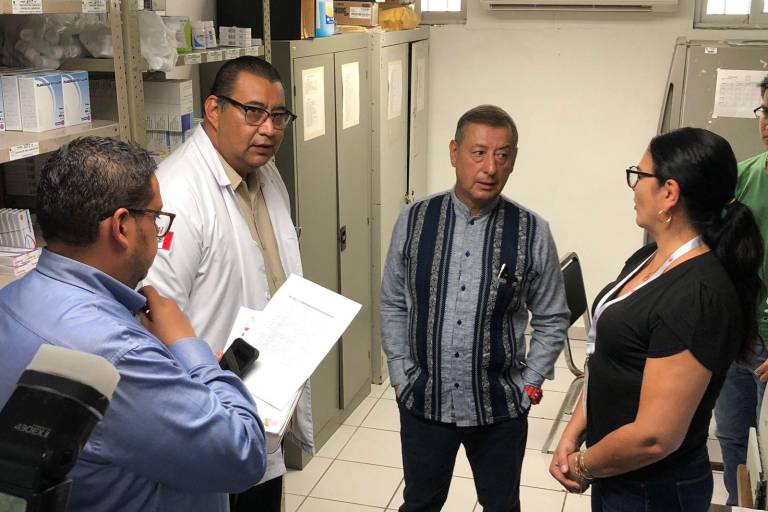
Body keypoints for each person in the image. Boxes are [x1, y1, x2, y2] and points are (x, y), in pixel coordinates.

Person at [0, 136, 267, 512]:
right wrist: (189, 347)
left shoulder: (10, 301)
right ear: (122, 227)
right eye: (156, 218)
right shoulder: (117, 353)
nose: (158, 231)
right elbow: (243, 455)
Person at [549, 127, 764, 511]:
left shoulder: (698, 295)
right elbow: (608, 360)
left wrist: (583, 465)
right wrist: (573, 433)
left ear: (669, 193)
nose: (633, 188)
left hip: (653, 490)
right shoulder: (648, 258)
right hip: (616, 468)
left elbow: (654, 437)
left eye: (639, 175)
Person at [381, 104, 569, 512]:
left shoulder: (531, 231)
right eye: (478, 153)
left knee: (501, 506)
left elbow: (553, 316)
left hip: (499, 407)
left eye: (502, 155)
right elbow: (393, 301)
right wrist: (399, 373)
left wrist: (530, 384)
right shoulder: (414, 220)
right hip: (424, 400)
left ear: (513, 160)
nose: (490, 167)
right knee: (420, 503)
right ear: (455, 153)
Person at [143, 56, 312, 511]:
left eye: (279, 116)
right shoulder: (176, 192)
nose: (269, 129)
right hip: (210, 415)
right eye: (253, 112)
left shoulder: (265, 173)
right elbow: (155, 317)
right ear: (214, 110)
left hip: (263, 400)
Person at [714, 73, 768, 506]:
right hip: (739, 336)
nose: (767, 122)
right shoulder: (744, 178)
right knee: (732, 435)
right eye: (765, 110)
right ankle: (738, 504)